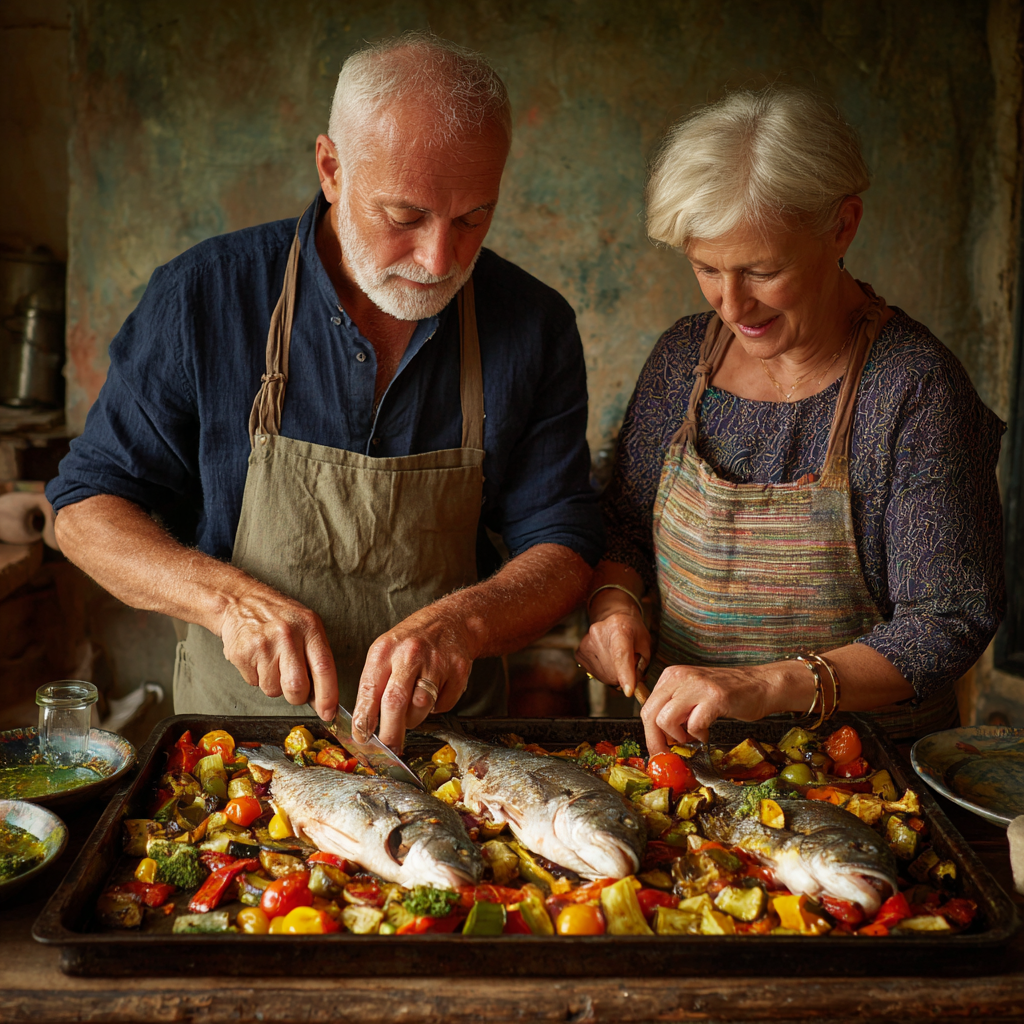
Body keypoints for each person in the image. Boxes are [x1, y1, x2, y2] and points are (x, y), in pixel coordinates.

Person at [47, 33, 602, 751]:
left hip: (451, 748)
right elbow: (83, 511)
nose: (439, 259)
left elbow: (562, 540)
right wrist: (229, 601)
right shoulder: (204, 296)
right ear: (332, 168)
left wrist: (463, 625)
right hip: (239, 745)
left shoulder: (533, 323)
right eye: (405, 217)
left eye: (471, 219)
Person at [575, 86, 1005, 753]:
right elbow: (624, 530)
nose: (732, 302)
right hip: (683, 762)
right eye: (706, 268)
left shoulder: (913, 388)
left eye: (762, 270)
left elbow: (948, 620)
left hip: (865, 775)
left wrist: (763, 685)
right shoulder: (682, 359)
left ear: (842, 226)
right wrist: (613, 604)